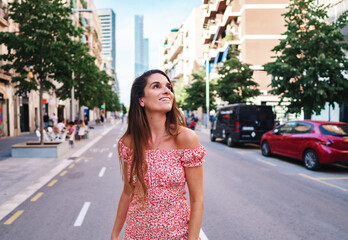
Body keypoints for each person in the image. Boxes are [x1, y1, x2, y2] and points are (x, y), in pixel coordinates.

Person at [111, 69, 206, 240]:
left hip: (177, 235)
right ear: (141, 99)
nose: (167, 91)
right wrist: (115, 233)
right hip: (136, 234)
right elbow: (127, 192)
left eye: (169, 87)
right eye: (156, 86)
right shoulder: (128, 143)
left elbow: (197, 199)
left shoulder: (185, 139)